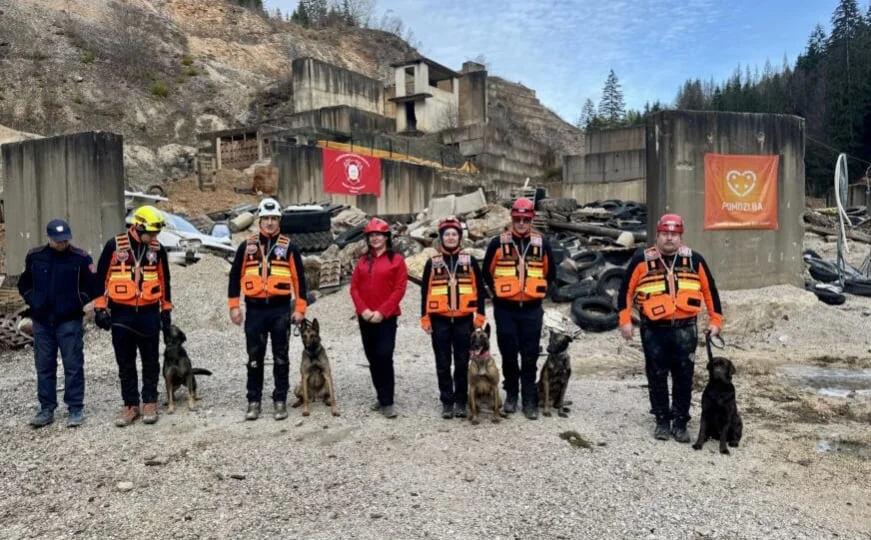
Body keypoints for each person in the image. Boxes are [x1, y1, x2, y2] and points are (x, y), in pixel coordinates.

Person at [616, 212, 723, 443]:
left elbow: (710, 291)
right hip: (654, 330)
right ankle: (662, 421)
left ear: (681, 236)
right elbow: (625, 291)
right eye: (665, 233)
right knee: (656, 376)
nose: (669, 238)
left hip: (685, 329)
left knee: (684, 377)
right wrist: (625, 320)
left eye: (674, 234)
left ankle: (681, 422)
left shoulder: (695, 260)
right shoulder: (641, 260)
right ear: (657, 235)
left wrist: (715, 321)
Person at [228, 197, 307, 421]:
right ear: (259, 221)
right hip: (254, 310)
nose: (270, 223)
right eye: (266, 219)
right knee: (254, 357)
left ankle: (279, 400)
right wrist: (234, 306)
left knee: (281, 357)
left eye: (274, 218)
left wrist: (300, 308)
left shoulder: (289, 247)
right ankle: (253, 400)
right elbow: (235, 277)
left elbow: (299, 279)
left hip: (280, 309)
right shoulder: (247, 246)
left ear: (279, 220)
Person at [94, 205, 173, 427]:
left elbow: (164, 280)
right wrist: (101, 308)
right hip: (122, 314)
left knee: (151, 361)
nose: (155, 236)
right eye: (152, 232)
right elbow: (101, 278)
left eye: (157, 232)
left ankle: (149, 401)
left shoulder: (157, 250)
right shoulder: (114, 245)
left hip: (149, 313)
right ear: (138, 226)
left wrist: (165, 310)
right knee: (125, 363)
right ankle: (130, 405)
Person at [18, 219, 100, 428]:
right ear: (49, 238)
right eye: (57, 241)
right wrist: (33, 300)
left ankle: (75, 408)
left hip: (69, 321)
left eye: (65, 240)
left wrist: (77, 302)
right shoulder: (35, 257)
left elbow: (94, 286)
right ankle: (46, 408)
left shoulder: (80, 258)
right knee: (44, 366)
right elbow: (24, 283)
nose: (62, 244)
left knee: (73, 365)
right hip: (42, 322)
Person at [482, 198, 556, 420]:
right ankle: (512, 395)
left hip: (532, 309)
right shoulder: (498, 243)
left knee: (530, 356)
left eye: (526, 219)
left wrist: (537, 292)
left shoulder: (542, 243)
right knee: (509, 354)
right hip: (505, 309)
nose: (521, 223)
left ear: (531, 218)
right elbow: (486, 272)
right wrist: (498, 293)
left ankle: (530, 399)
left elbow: (550, 273)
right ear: (512, 218)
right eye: (517, 219)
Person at [420, 216, 487, 419]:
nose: (450, 238)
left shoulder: (470, 261)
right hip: (439, 320)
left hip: (463, 321)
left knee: (461, 363)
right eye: (447, 234)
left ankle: (460, 401)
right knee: (442, 363)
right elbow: (425, 292)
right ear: (441, 238)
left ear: (460, 237)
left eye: (454, 234)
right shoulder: (432, 263)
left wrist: (480, 316)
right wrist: (425, 318)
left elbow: (480, 291)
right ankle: (447, 402)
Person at [350, 217, 408, 418]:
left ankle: (388, 401)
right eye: (371, 235)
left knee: (384, 356)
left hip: (387, 318)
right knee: (372, 357)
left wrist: (382, 312)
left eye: (379, 235)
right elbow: (354, 287)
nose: (375, 239)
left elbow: (400, 289)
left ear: (386, 237)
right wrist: (363, 310)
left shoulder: (397, 261)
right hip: (365, 317)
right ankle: (381, 395)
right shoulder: (363, 260)